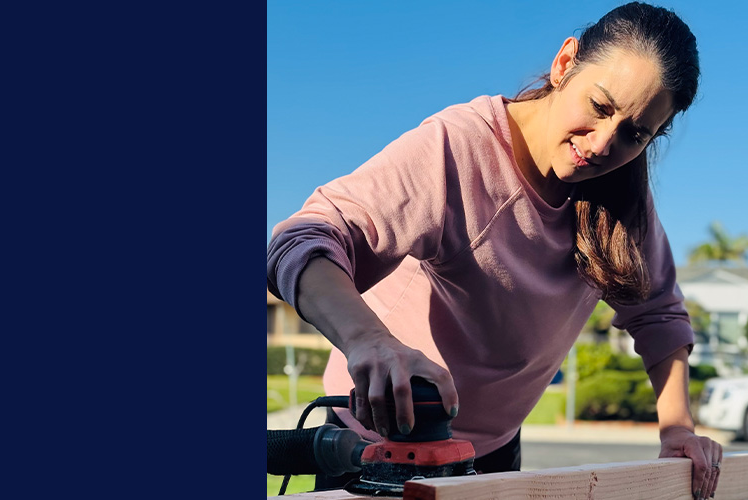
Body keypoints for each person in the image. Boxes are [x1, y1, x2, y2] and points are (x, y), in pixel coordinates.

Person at [266, 2, 722, 499]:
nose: (602, 144)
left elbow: (658, 313)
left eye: (635, 134)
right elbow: (301, 240)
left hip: (497, 452)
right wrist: (367, 339)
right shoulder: (458, 149)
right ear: (565, 63)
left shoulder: (620, 190)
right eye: (599, 107)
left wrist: (677, 427)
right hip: (377, 451)